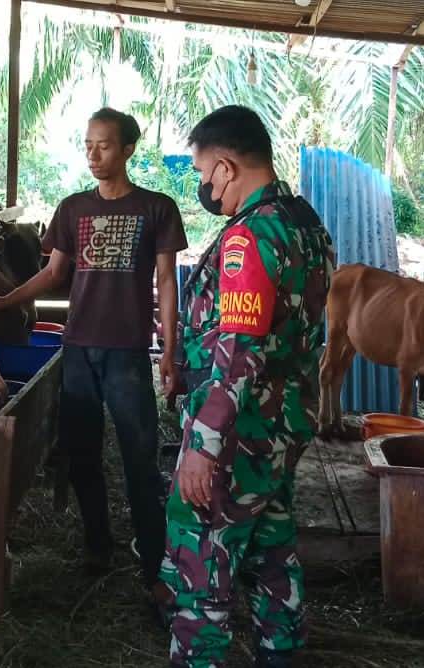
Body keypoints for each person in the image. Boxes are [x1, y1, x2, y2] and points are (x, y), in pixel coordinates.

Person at [0, 107, 187, 589]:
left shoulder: (157, 208)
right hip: (79, 350)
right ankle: (98, 549)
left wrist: (170, 350)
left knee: (139, 460)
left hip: (128, 352)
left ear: (128, 149)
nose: (93, 153)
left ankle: (155, 562)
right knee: (83, 456)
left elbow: (167, 281)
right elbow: (53, 273)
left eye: (103, 145)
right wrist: (3, 298)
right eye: (87, 144)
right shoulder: (73, 209)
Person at [157, 105, 335, 668]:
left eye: (204, 173)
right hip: (282, 431)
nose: (205, 186)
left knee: (202, 565)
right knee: (272, 554)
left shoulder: (250, 238)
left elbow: (239, 353)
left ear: (227, 167)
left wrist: (202, 445)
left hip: (238, 435)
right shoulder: (307, 223)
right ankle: (280, 655)